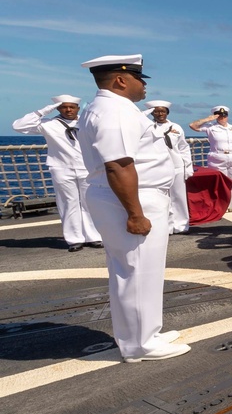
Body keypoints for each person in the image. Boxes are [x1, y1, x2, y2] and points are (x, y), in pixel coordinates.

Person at [77, 54, 190, 362]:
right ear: (121, 80)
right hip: (130, 199)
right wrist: (135, 214)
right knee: (137, 271)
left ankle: (144, 333)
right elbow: (119, 165)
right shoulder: (115, 111)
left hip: (132, 196)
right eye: (140, 79)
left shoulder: (110, 108)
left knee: (139, 271)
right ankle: (141, 345)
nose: (144, 85)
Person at [12, 94, 102, 251]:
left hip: (86, 167)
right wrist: (43, 111)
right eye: (64, 107)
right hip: (61, 168)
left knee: (90, 202)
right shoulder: (48, 124)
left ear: (78, 108)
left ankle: (93, 236)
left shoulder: (86, 122)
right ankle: (74, 239)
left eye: (71, 107)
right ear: (58, 108)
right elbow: (18, 126)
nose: (68, 110)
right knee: (68, 203)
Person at [145, 100, 193, 234]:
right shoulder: (147, 127)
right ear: (151, 113)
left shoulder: (176, 127)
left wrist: (187, 167)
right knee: (161, 197)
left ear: (167, 112)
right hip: (157, 167)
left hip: (176, 165)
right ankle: (166, 226)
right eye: (156, 111)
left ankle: (182, 225)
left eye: (163, 111)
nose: (160, 114)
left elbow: (183, 147)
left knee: (179, 196)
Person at [189, 106, 232, 212]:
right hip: (217, 158)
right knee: (220, 183)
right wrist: (208, 119)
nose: (222, 117)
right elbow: (193, 125)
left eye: (224, 115)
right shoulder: (210, 127)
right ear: (215, 116)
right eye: (219, 115)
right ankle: (221, 205)